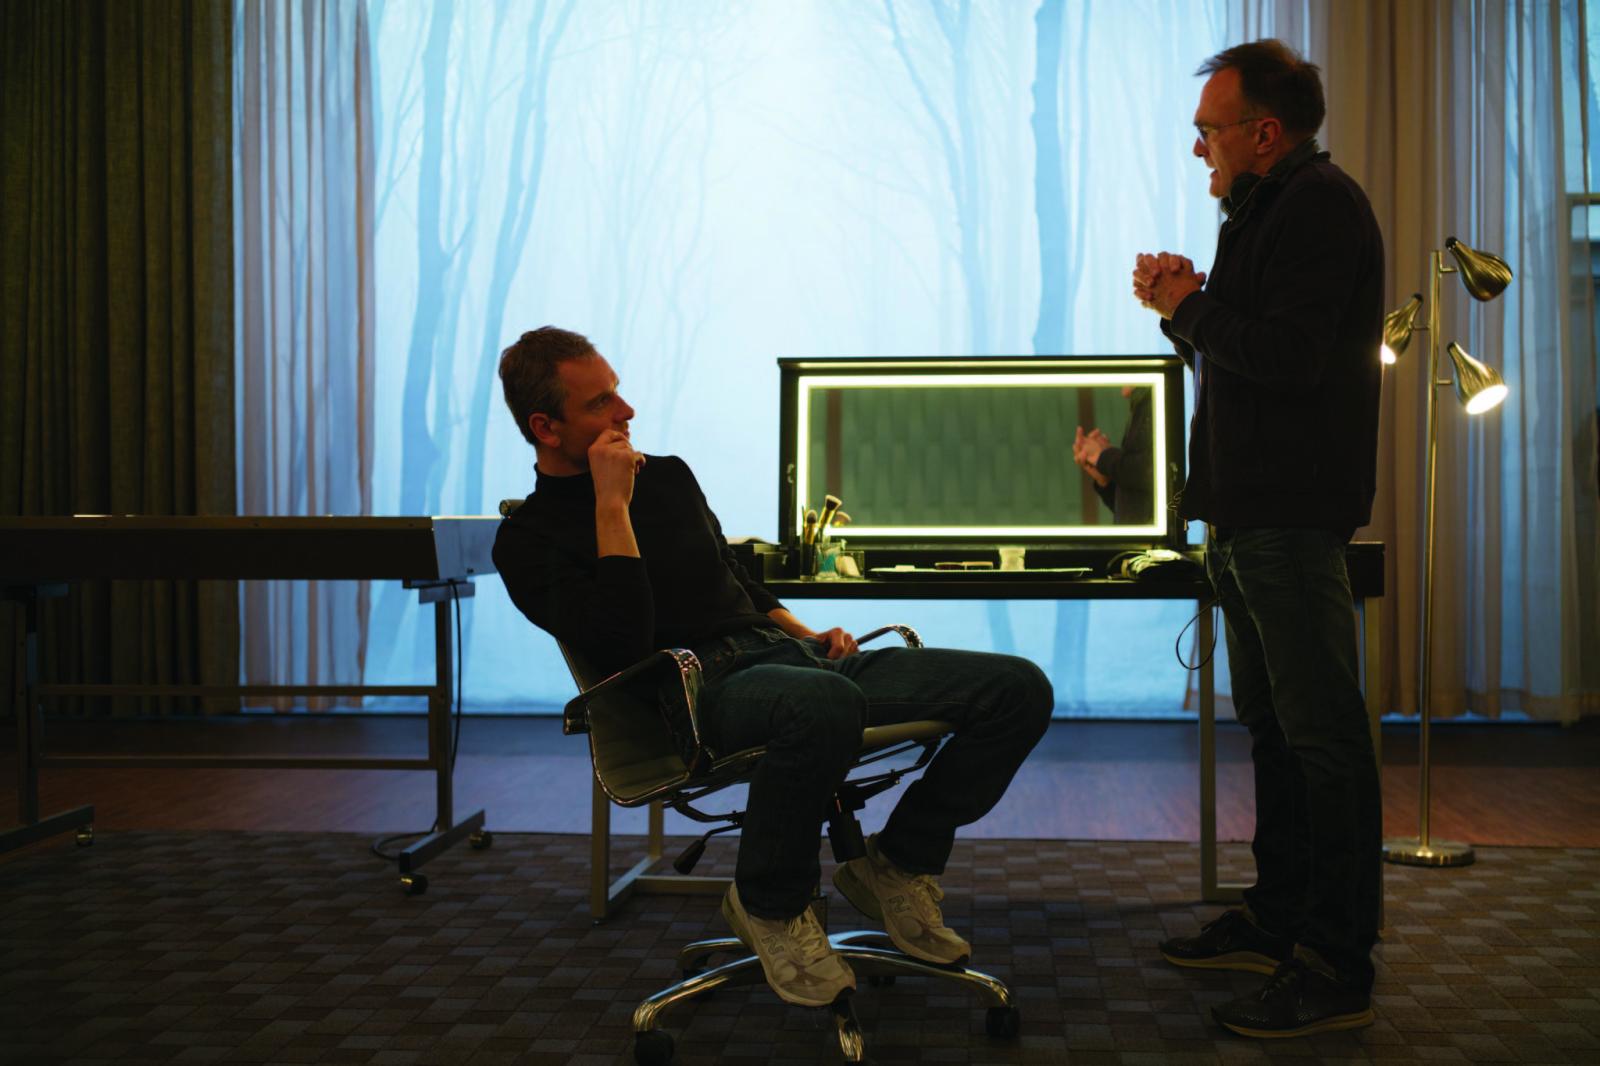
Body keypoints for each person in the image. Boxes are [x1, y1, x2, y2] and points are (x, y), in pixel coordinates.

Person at [492, 325, 1053, 1010]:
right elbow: (619, 639)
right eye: (600, 403)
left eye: (619, 392)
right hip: (693, 690)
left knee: (1017, 689)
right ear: (546, 428)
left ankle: (899, 861)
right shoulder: (526, 541)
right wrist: (611, 503)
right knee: (821, 704)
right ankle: (769, 902)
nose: (627, 411)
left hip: (787, 661)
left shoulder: (667, 476)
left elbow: (734, 581)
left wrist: (809, 635)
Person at [1131, 40, 1384, 1038]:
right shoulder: (1262, 210)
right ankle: (1280, 919)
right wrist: (1185, 306)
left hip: (1288, 515)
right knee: (1277, 732)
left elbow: (1287, 357)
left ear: (1264, 131)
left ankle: (1335, 963)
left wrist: (1188, 305)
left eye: (1210, 129)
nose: (1200, 146)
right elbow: (1244, 349)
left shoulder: (1318, 205)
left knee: (1323, 741)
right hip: (1244, 517)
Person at [1073, 385, 1154, 525]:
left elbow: (1154, 471)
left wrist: (1103, 457)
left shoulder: (1157, 402)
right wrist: (1106, 480)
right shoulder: (1143, 404)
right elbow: (1136, 509)